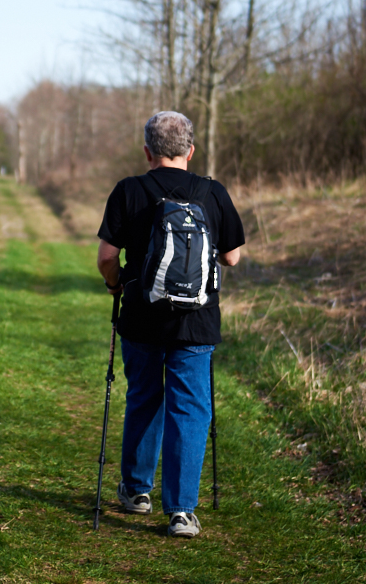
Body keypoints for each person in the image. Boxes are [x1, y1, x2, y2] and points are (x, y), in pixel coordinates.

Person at [96, 111, 245, 538]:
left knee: (144, 396)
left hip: (142, 318)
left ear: (148, 152)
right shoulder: (213, 193)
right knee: (190, 408)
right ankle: (181, 511)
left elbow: (107, 257)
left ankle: (137, 492)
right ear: (190, 151)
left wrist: (116, 285)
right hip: (196, 323)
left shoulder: (129, 191)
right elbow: (232, 256)